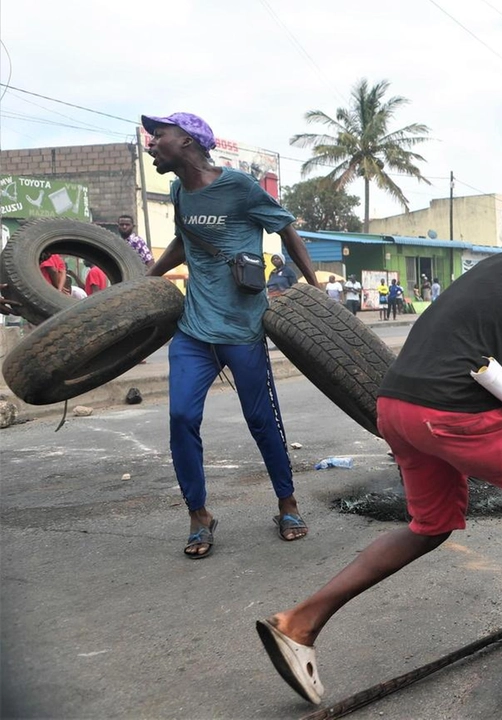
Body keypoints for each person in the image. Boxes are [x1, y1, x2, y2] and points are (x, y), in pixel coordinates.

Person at [257, 169, 502, 705]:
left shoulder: (501, 266)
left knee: (431, 524)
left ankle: (300, 622)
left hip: (396, 403)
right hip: (455, 407)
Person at [142, 111, 319, 559]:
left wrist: (316, 289)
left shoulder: (239, 187)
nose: (151, 142)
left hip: (242, 330)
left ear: (186, 141)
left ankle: (287, 503)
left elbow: (285, 229)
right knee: (181, 417)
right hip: (194, 329)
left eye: (158, 135)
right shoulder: (179, 191)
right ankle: (198, 515)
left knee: (262, 420)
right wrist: (148, 277)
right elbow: (185, 240)